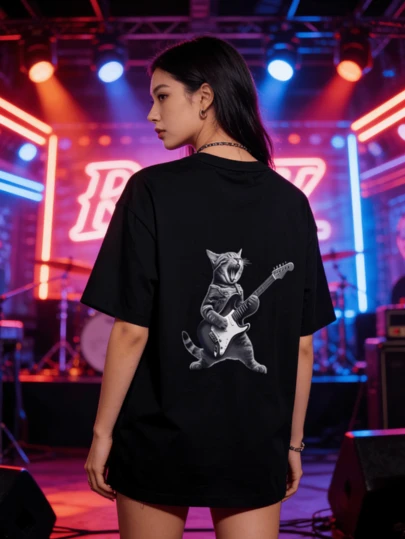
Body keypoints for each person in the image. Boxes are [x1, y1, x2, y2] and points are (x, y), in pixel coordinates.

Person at [82, 35, 336, 539]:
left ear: (204, 97)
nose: (152, 114)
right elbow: (303, 346)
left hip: (158, 433)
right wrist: (293, 444)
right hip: (254, 437)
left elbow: (131, 330)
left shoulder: (151, 189)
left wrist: (101, 433)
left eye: (162, 96)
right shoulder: (292, 202)